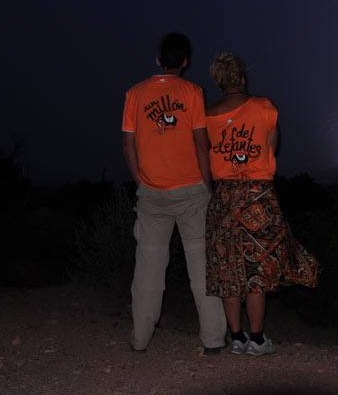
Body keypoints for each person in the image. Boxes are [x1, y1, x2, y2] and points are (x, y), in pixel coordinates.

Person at [205, 52, 320, 356]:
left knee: (229, 270)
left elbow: (207, 153)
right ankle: (257, 339)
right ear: (242, 77)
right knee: (256, 270)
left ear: (218, 80)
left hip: (224, 197)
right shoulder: (264, 107)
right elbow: (273, 147)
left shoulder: (208, 115)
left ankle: (237, 338)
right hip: (258, 196)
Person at [121, 33, 226, 354]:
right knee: (201, 267)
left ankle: (140, 339)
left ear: (158, 59)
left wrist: (141, 181)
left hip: (151, 193)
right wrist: (208, 185)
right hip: (192, 191)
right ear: (185, 62)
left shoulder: (134, 94)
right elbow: (200, 142)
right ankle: (212, 341)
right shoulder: (193, 92)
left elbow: (129, 144)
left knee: (148, 269)